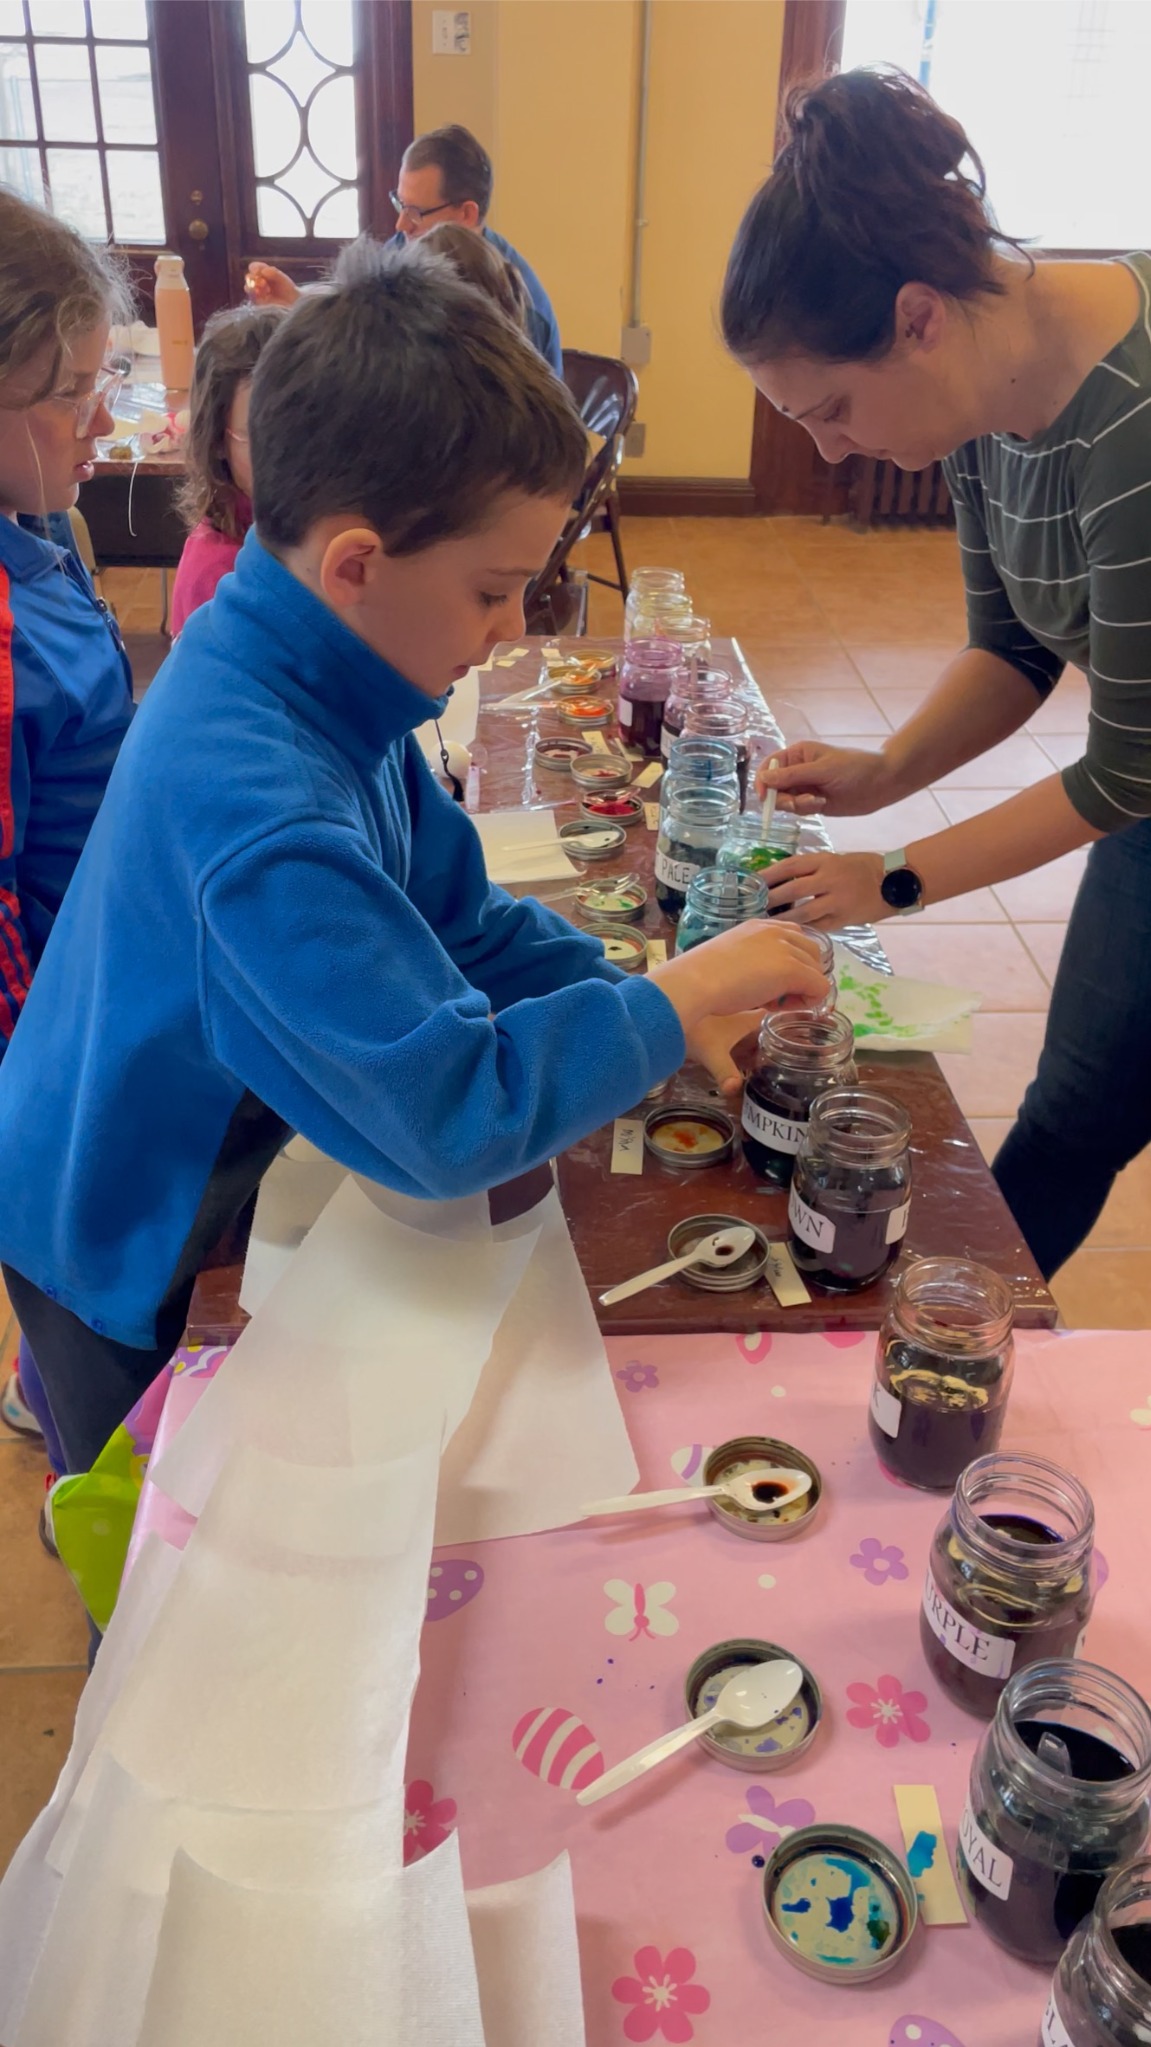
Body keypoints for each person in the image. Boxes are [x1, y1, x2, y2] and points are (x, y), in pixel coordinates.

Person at [0, 241, 826, 1489]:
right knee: (164, 1524)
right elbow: (448, 1115)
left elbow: (462, 918)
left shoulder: (324, 663)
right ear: (356, 563)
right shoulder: (259, 813)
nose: (511, 628)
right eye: (494, 591)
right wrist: (664, 1008)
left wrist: (652, 981)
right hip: (121, 1227)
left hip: (206, 1134)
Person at [720, 66, 1151, 1282]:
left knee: (1088, 1102)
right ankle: (935, 1315)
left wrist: (893, 880)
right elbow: (1011, 645)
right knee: (1074, 1104)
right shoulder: (978, 398)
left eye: (833, 408)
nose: (827, 445)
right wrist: (884, 772)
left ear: (916, 319)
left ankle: (949, 1325)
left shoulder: (1133, 422)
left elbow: (1123, 768)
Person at [0, 187, 135, 1468]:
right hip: (55, 1078)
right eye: (72, 392)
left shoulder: (45, 531)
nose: (105, 418)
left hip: (95, 1003)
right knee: (98, 1371)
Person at [247, 123, 563, 373]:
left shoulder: (520, 309)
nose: (401, 225)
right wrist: (298, 303)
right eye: (401, 204)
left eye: (417, 212)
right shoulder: (407, 246)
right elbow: (360, 313)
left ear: (466, 214)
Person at [170, 302, 285, 635]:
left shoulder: (288, 526)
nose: (289, 455)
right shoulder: (219, 576)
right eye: (261, 437)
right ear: (218, 440)